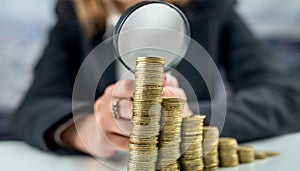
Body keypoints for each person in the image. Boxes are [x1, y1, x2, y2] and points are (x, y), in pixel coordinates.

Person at [15, 0, 300, 158]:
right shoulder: (73, 15)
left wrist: (190, 120)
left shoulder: (214, 8)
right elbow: (34, 107)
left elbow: (286, 97)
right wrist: (89, 130)